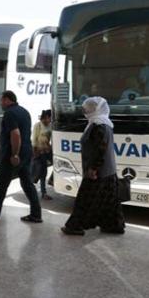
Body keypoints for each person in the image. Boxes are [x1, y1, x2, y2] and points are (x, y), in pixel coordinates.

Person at [60, 97, 125, 235]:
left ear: (95, 109)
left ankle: (74, 226)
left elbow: (100, 149)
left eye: (88, 107)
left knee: (85, 200)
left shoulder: (98, 126)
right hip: (108, 171)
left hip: (98, 172)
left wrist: (94, 168)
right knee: (110, 201)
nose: (85, 110)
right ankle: (114, 225)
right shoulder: (104, 123)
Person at [0, 90, 43, 223]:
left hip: (13, 154)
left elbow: (16, 134)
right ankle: (36, 214)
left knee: (2, 184)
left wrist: (14, 154)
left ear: (7, 100)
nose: (0, 103)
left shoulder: (9, 113)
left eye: (1, 100)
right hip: (26, 152)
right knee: (27, 183)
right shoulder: (24, 111)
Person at [32, 109, 53, 199]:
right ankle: (43, 192)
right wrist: (35, 152)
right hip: (39, 152)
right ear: (46, 117)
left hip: (48, 150)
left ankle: (51, 180)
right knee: (42, 172)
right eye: (50, 118)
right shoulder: (38, 126)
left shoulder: (51, 125)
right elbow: (34, 140)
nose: (50, 120)